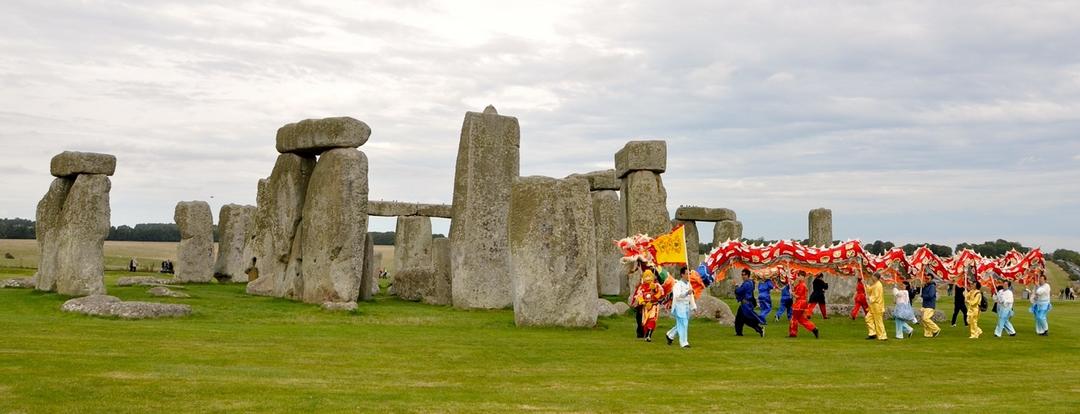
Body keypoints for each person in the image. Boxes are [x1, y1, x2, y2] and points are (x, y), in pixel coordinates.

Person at [665, 267, 698, 348]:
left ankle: (670, 334)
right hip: (679, 307)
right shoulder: (677, 284)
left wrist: (694, 307)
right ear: (682, 274)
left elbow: (691, 297)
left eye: (689, 274)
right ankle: (684, 342)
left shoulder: (689, 284)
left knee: (681, 323)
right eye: (687, 274)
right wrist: (686, 293)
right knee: (683, 323)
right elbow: (677, 296)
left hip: (686, 307)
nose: (688, 276)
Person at [632, 266, 664, 342]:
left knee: (652, 320)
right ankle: (644, 333)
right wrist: (642, 301)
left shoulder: (656, 285)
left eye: (650, 276)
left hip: (654, 305)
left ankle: (649, 335)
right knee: (644, 321)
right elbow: (638, 295)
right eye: (646, 276)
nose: (648, 278)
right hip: (645, 306)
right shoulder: (641, 286)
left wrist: (655, 291)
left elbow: (661, 293)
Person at [734, 269, 765, 337]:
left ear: (748, 275)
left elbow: (739, 291)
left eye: (744, 275)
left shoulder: (747, 283)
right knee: (740, 319)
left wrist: (736, 286)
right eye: (742, 275)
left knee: (744, 319)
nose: (743, 276)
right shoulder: (750, 282)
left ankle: (759, 329)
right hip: (746, 304)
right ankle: (739, 332)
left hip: (745, 305)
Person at [788, 271, 819, 338]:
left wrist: (792, 293)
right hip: (802, 303)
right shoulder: (801, 284)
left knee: (794, 318)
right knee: (801, 319)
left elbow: (797, 296)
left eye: (800, 276)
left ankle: (793, 333)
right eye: (798, 276)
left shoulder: (802, 285)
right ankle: (813, 328)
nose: (799, 277)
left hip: (799, 303)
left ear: (803, 277)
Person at [864, 272, 887, 341]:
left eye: (873, 276)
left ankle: (883, 336)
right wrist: (865, 285)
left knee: (878, 321)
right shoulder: (875, 284)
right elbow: (870, 289)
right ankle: (872, 333)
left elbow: (876, 296)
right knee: (868, 318)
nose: (872, 278)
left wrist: (869, 298)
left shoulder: (878, 285)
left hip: (877, 306)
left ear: (875, 277)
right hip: (873, 307)